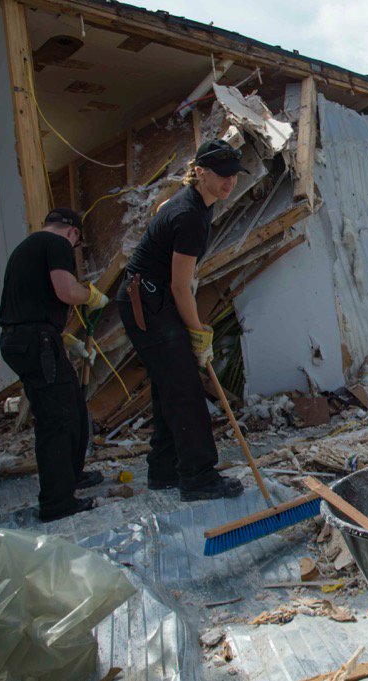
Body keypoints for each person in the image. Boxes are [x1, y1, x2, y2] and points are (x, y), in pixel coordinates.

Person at [117, 140, 246, 500]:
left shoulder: (192, 203)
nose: (230, 183)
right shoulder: (190, 215)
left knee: (169, 386)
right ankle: (198, 477)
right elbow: (178, 285)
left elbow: (162, 216)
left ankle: (163, 470)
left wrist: (195, 327)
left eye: (234, 176)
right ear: (200, 172)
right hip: (148, 301)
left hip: (149, 296)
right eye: (222, 176)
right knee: (186, 389)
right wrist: (196, 332)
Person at [0, 208, 110, 522]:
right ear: (72, 232)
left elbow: (33, 301)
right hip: (36, 341)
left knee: (73, 407)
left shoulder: (28, 248)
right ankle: (57, 503)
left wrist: (61, 339)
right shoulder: (57, 244)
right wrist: (89, 294)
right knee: (57, 419)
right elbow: (65, 291)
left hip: (31, 339)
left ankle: (71, 476)